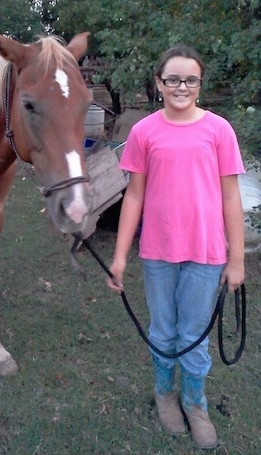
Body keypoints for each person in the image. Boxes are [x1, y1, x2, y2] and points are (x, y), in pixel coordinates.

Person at [107, 44, 245, 450]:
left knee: (194, 335)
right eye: (172, 79)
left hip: (206, 255)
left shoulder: (218, 130)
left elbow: (231, 198)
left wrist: (236, 259)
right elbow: (133, 197)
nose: (181, 86)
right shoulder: (144, 132)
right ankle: (165, 393)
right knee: (164, 331)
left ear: (200, 84)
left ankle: (194, 402)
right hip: (158, 254)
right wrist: (118, 256)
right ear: (159, 84)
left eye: (190, 79)